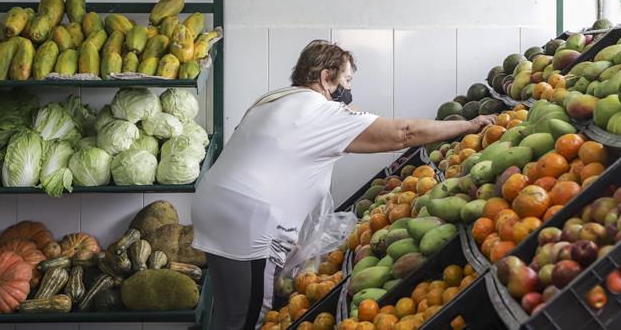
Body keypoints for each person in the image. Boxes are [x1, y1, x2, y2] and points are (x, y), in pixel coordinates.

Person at [192, 40, 495, 330]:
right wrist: (468, 125)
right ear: (326, 78)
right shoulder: (321, 112)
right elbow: (403, 133)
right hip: (246, 222)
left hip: (213, 208)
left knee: (229, 308)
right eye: (346, 81)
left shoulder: (272, 101)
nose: (349, 90)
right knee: (246, 320)